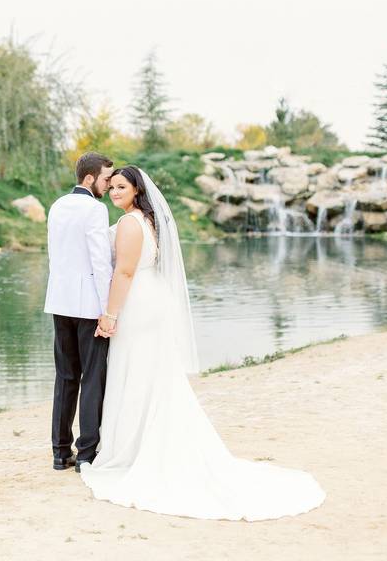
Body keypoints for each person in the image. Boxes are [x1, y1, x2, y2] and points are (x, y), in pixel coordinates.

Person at [79, 165, 325, 520]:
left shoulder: (131, 224)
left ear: (137, 190)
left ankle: (132, 451)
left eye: (122, 186)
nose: (115, 192)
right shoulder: (147, 221)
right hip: (152, 300)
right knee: (149, 373)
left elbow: (125, 271)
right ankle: (139, 442)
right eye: (112, 186)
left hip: (138, 303)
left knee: (135, 371)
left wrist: (110, 314)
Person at [43, 152, 115, 471]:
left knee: (66, 377)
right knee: (92, 377)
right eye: (105, 179)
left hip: (60, 302)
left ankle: (60, 452)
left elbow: (55, 256)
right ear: (89, 179)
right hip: (88, 306)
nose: (108, 186)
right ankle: (86, 452)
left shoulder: (57, 206)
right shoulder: (95, 209)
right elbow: (100, 262)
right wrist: (107, 310)